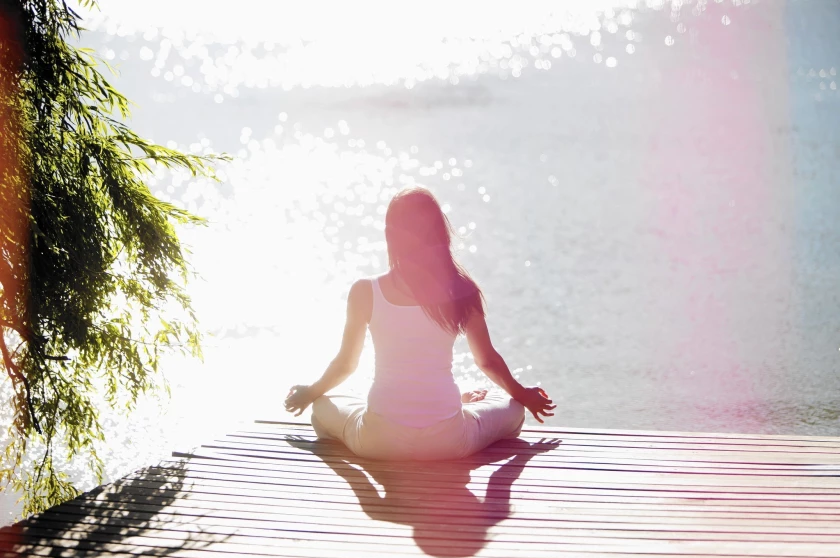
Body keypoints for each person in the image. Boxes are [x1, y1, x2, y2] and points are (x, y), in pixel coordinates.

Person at [284, 187, 555, 460]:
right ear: (440, 233)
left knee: (323, 404)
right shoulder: (462, 290)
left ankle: (454, 405)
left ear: (391, 235)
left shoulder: (365, 291)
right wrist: (524, 394)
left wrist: (310, 392)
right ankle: (459, 404)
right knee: (512, 406)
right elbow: (486, 361)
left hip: (379, 441)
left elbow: (346, 365)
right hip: (447, 441)